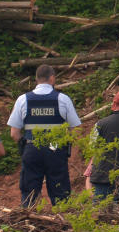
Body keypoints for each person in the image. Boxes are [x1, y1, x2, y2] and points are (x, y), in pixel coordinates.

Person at [8, 64, 81, 206]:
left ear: (36, 79)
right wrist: (63, 143)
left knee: (29, 193)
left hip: (31, 148)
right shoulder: (63, 99)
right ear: (52, 78)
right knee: (60, 193)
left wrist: (27, 146)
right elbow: (76, 129)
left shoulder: (23, 99)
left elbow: (14, 133)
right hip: (55, 149)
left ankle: (28, 222)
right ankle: (62, 222)